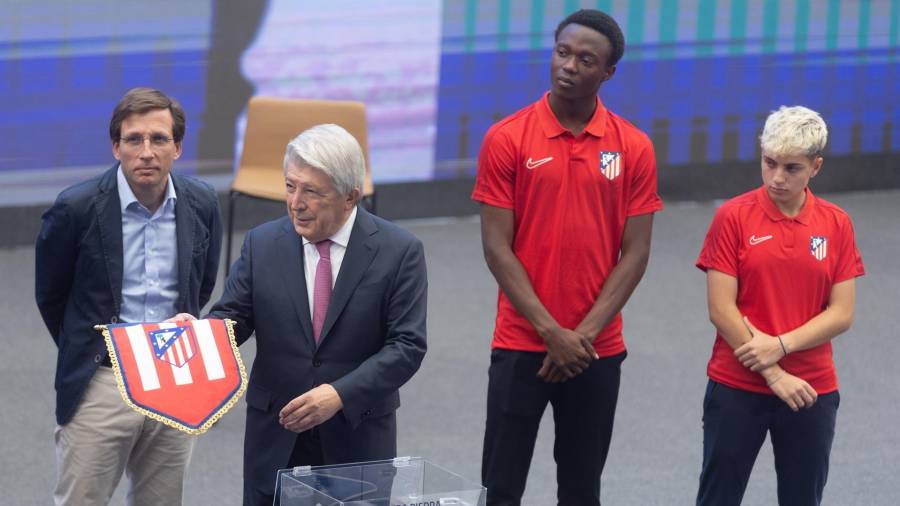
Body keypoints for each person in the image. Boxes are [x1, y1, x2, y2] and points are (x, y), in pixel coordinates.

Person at [174, 123, 427, 505]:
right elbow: (234, 317)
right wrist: (201, 333)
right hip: (277, 433)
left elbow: (407, 346)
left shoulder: (399, 251)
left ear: (350, 196)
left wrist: (339, 394)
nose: (295, 202)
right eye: (290, 186)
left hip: (356, 435)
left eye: (312, 191)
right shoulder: (263, 243)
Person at [471, 9, 663, 505]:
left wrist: (581, 337)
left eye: (585, 59)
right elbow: (497, 247)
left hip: (594, 350)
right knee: (501, 487)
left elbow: (636, 253)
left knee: (581, 489)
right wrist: (550, 332)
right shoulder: (507, 138)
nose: (569, 66)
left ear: (608, 72)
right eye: (562, 52)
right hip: (521, 343)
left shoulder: (635, 147)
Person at [35, 87, 222, 505]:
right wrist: (86, 351)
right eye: (134, 139)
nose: (147, 151)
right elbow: (51, 295)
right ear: (115, 147)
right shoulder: (75, 208)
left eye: (159, 139)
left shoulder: (203, 202)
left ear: (177, 147)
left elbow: (201, 283)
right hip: (102, 378)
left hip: (173, 377)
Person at [695, 105, 864, 505]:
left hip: (811, 389)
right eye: (769, 163)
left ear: (815, 167)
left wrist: (782, 344)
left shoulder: (836, 223)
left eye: (792, 168)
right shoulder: (732, 217)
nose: (776, 178)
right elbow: (721, 309)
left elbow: (842, 313)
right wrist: (773, 372)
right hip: (737, 385)